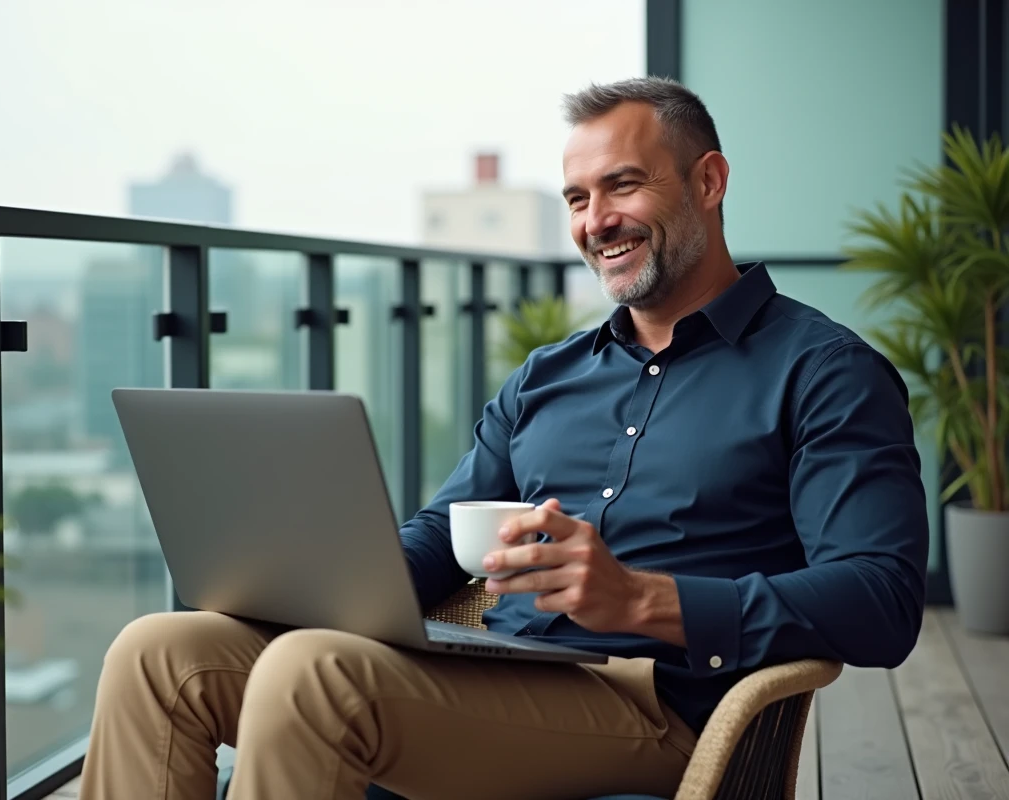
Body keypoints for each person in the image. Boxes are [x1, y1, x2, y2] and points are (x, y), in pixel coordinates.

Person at [77, 77, 929, 800]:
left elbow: (881, 600)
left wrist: (641, 599)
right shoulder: (546, 377)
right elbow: (443, 534)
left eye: (623, 186)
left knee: (315, 675)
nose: (597, 221)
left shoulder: (824, 373)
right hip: (498, 668)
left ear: (708, 181)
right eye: (577, 199)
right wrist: (302, 582)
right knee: (160, 650)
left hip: (658, 705)